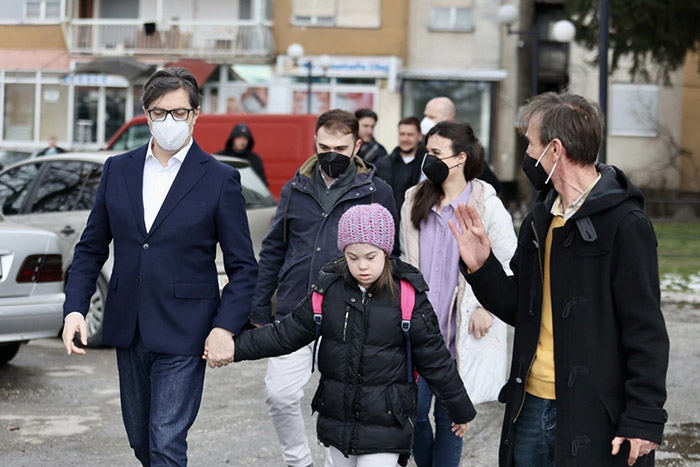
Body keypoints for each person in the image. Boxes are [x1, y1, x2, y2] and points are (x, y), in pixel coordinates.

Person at [449, 91, 669, 467]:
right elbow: (520, 306)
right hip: (530, 405)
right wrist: (481, 267)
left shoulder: (626, 224)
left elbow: (645, 329)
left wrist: (644, 419)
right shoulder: (541, 218)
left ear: (555, 149)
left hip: (595, 411)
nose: (527, 155)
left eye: (531, 144)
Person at [61, 67, 258, 466]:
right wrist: (75, 309)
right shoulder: (119, 169)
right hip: (128, 325)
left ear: (196, 114)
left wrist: (224, 327)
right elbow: (90, 248)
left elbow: (244, 267)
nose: (169, 121)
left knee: (166, 442)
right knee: (141, 441)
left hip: (186, 329)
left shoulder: (220, 179)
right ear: (147, 114)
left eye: (179, 112)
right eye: (159, 112)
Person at [231, 204, 476, 467]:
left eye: (370, 257)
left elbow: (435, 359)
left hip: (387, 423)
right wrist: (233, 347)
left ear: (385, 251)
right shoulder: (327, 291)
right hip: (338, 423)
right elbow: (284, 335)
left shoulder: (408, 296)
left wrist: (459, 409)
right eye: (352, 257)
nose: (362, 266)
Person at [250, 109, 398, 467]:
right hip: (294, 308)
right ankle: (299, 461)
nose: (331, 154)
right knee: (279, 394)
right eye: (324, 146)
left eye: (340, 147)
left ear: (357, 146)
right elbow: (273, 250)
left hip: (351, 315)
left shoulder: (377, 192)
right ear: (314, 143)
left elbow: (392, 257)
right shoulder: (295, 188)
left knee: (344, 403)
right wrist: (258, 308)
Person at [401, 121, 517, 467]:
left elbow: (509, 263)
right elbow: (406, 262)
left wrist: (487, 307)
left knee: (452, 422)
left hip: (459, 335)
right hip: (419, 332)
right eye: (428, 152)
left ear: (460, 158)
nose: (429, 159)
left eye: (436, 153)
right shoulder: (413, 199)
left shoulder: (487, 206)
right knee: (414, 415)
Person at [420, 97, 502, 194]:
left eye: (432, 117)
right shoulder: (420, 145)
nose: (425, 121)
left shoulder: (464, 146)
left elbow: (491, 184)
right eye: (426, 116)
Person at [375, 117, 425, 214]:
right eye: (402, 134)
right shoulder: (383, 164)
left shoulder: (426, 164)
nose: (405, 139)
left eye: (410, 135)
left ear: (419, 136)